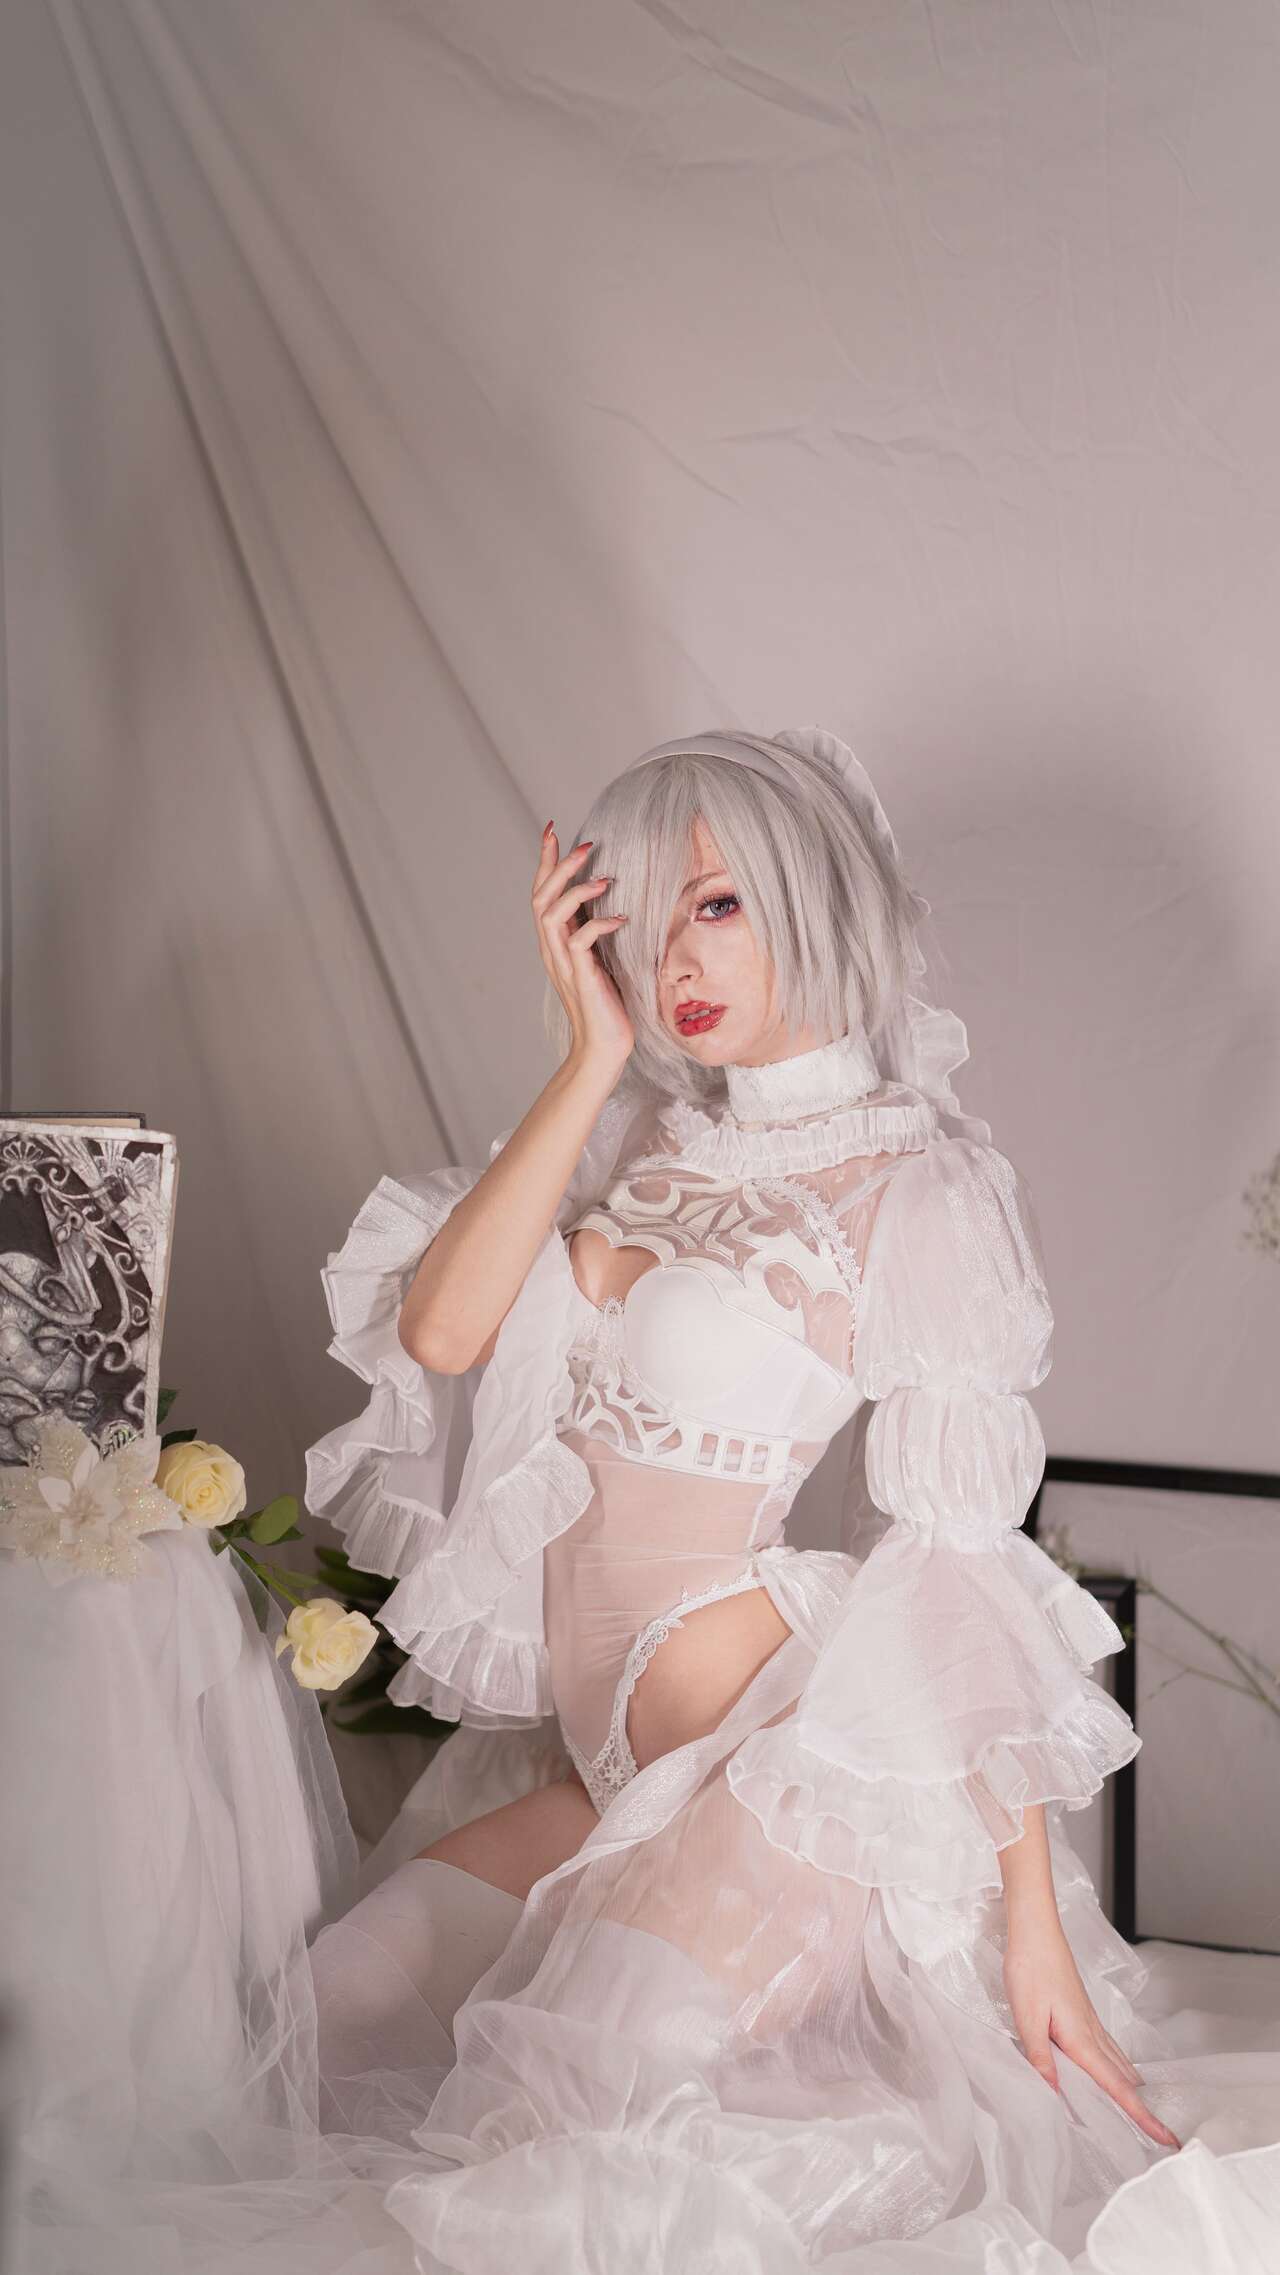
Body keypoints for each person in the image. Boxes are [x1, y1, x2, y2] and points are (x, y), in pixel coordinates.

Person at [300, 727, 1280, 2272]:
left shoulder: (918, 1185)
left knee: (583, 2109)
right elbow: (442, 1331)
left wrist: (1028, 1924)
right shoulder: (637, 1130)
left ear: (812, 895)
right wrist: (590, 1055)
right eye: (642, 920)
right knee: (332, 2009)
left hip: (789, 1776)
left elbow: (960, 1563)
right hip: (610, 1771)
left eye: (717, 905)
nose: (675, 959)